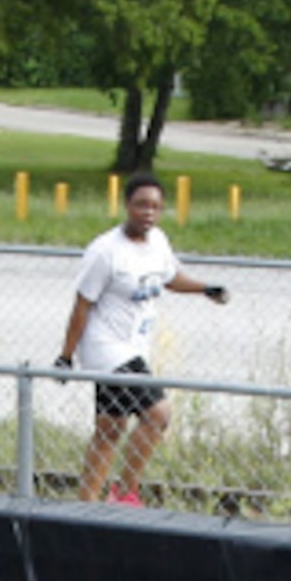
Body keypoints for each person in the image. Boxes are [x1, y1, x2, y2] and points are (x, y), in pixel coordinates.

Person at [55, 175, 229, 506]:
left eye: (156, 206)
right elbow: (82, 304)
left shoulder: (158, 242)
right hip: (107, 349)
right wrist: (66, 355)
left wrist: (205, 289)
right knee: (158, 413)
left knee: (110, 428)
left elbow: (170, 277)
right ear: (126, 205)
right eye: (141, 204)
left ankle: (86, 502)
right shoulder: (105, 251)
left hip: (135, 347)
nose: (148, 212)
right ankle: (125, 492)